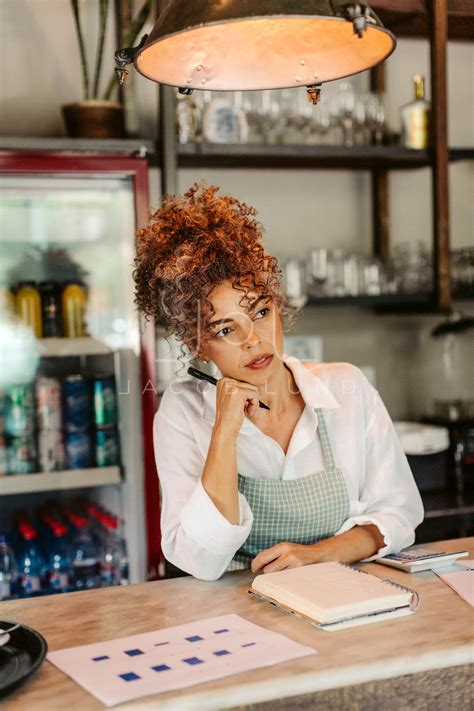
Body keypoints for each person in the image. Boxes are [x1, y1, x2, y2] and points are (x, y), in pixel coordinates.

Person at [133, 183, 424, 581]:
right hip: (237, 619)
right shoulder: (183, 412)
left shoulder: (346, 388)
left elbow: (399, 512)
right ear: (196, 342)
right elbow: (197, 560)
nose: (252, 339)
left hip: (346, 601)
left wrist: (319, 555)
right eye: (224, 329)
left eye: (260, 311)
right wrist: (224, 432)